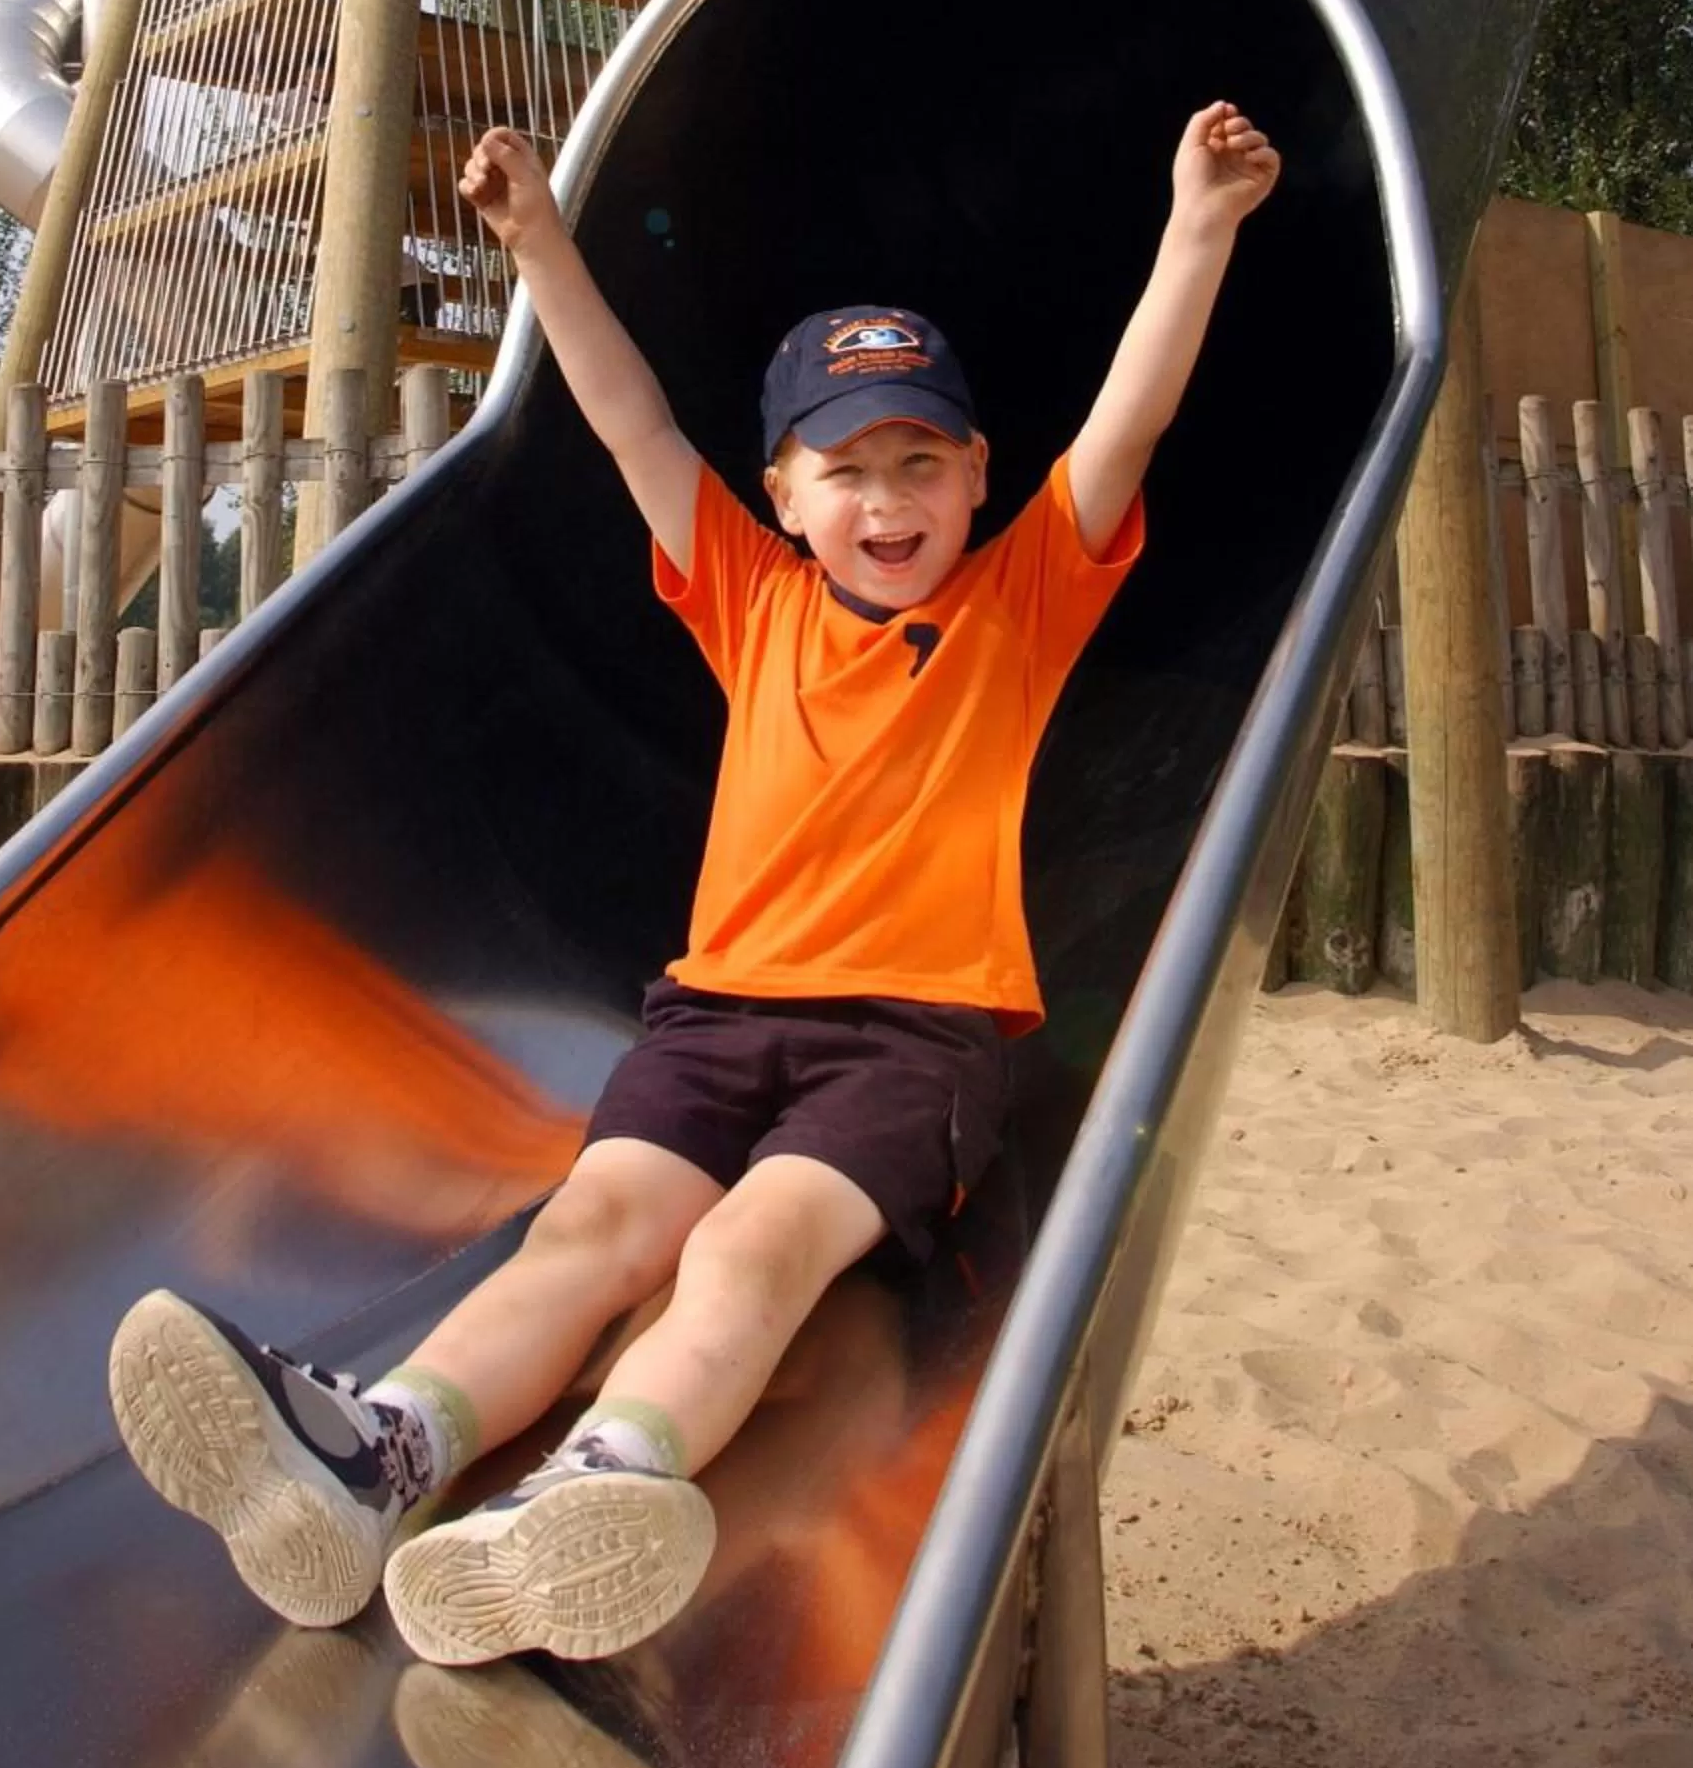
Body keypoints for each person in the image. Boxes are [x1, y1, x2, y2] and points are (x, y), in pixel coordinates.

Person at [108, 99, 1280, 1668]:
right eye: (844, 469)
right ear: (783, 497)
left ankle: (609, 1474)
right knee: (590, 1231)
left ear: (979, 476)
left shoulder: (1017, 606)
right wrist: (537, 244)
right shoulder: (750, 597)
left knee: (747, 1251)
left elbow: (1127, 424)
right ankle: (380, 1452)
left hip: (909, 1043)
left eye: (919, 462)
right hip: (712, 1018)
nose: (886, 502)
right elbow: (629, 425)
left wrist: (1195, 225)